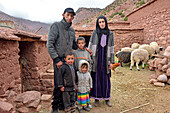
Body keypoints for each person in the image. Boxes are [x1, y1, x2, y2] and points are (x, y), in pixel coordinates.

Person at [47, 8, 77, 113]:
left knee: (68, 83)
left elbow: (74, 45)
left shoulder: (72, 30)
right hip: (59, 60)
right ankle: (55, 106)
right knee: (58, 83)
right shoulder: (56, 26)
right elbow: (50, 44)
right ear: (63, 15)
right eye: (68, 15)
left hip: (68, 61)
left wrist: (85, 48)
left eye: (72, 16)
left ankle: (63, 105)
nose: (69, 17)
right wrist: (56, 59)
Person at [88, 15, 115, 107]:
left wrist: (111, 61)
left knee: (106, 78)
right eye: (99, 22)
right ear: (97, 23)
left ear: (106, 23)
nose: (101, 24)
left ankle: (107, 98)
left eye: (103, 22)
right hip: (96, 59)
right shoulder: (94, 33)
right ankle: (96, 98)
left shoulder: (110, 34)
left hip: (106, 59)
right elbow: (90, 46)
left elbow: (111, 48)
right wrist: (89, 59)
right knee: (96, 78)